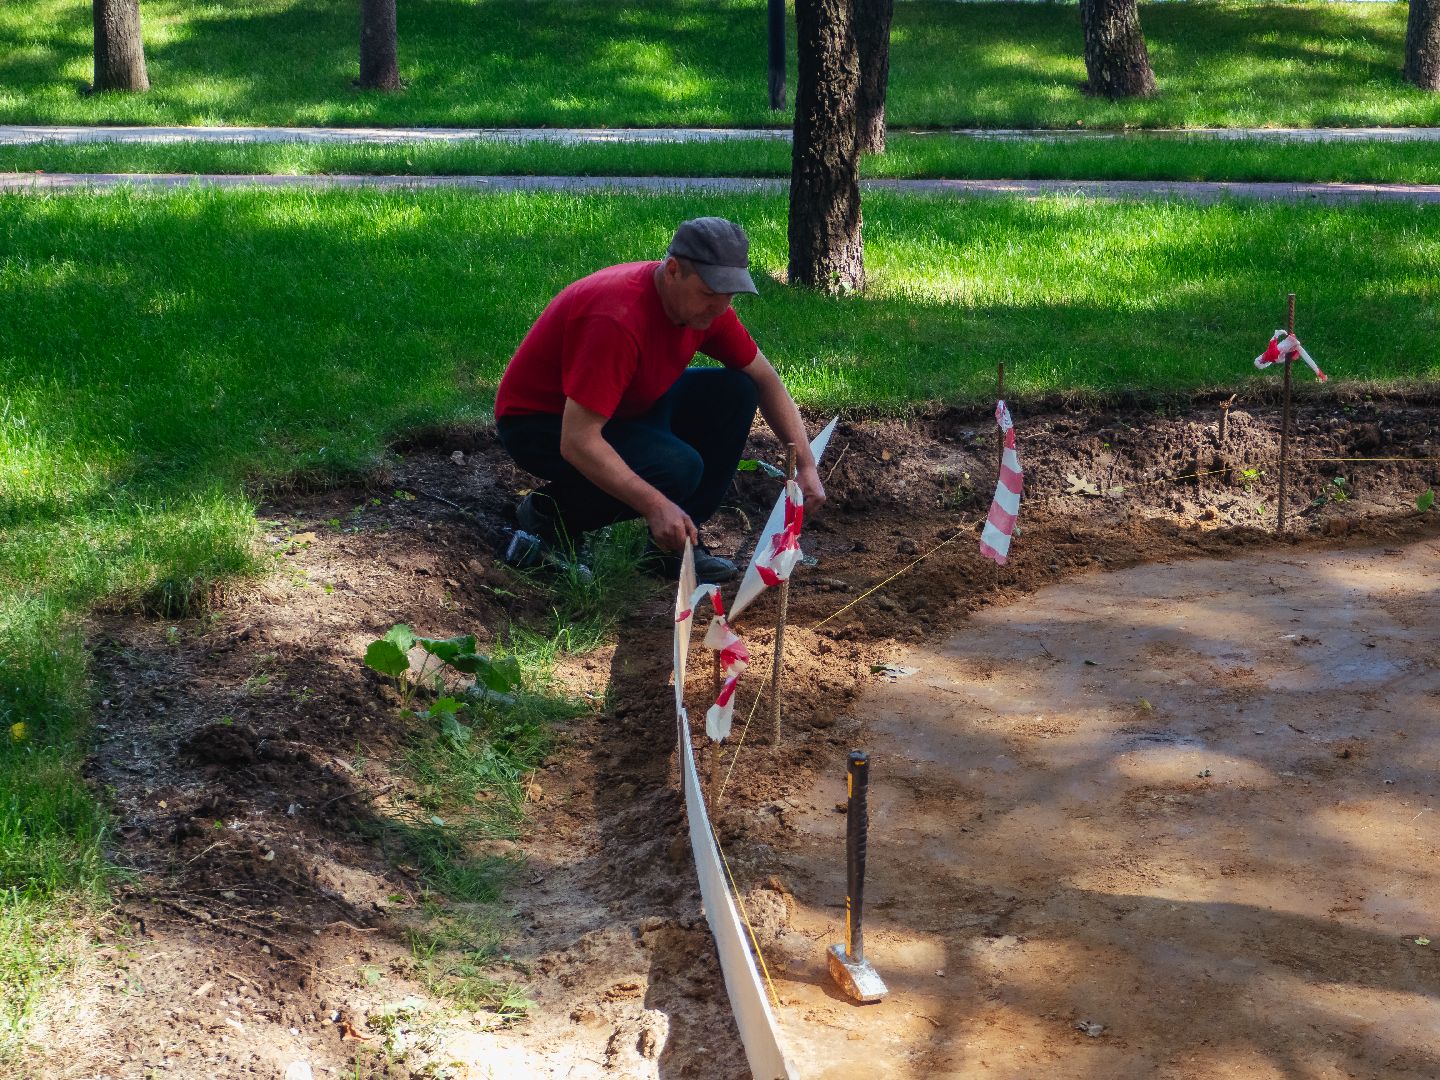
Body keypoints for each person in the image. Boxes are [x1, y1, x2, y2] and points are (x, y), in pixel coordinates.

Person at [494, 216, 825, 584]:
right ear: (672, 271)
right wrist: (654, 504)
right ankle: (550, 515)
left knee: (737, 391)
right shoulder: (617, 319)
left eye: (729, 295)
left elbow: (765, 379)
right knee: (678, 468)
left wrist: (806, 465)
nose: (720, 307)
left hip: (623, 404)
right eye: (710, 293)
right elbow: (577, 441)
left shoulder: (705, 310)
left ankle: (675, 546)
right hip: (541, 423)